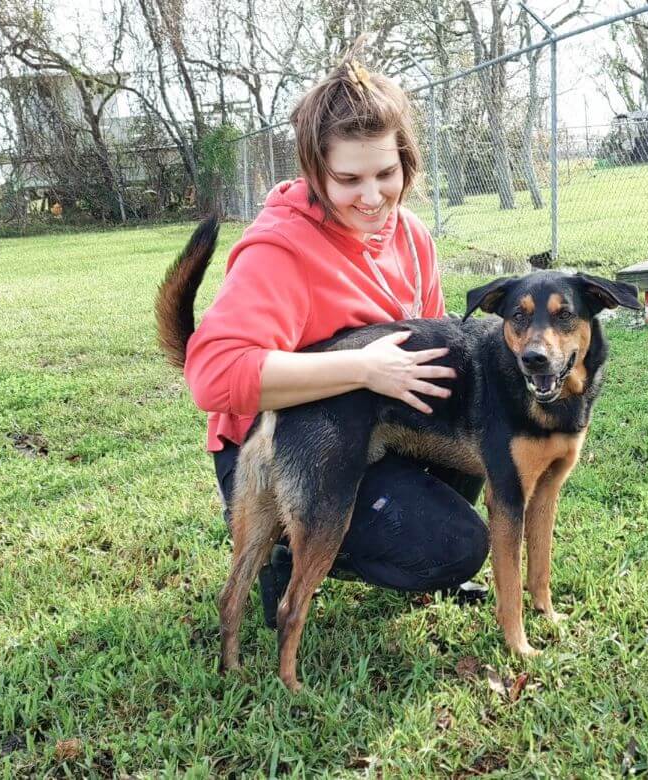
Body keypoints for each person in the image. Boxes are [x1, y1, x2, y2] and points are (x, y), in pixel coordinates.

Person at [183, 48, 488, 628]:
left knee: (482, 431)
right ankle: (283, 546)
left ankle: (382, 532)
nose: (372, 198)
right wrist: (364, 369)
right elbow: (213, 375)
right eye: (348, 179)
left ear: (406, 162)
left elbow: (437, 343)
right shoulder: (282, 250)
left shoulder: (412, 235)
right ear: (314, 172)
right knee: (453, 547)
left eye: (386, 174)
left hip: (374, 428)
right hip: (280, 450)